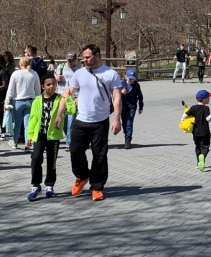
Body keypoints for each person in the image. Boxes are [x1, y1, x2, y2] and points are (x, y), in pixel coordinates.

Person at [65, 44, 122, 201]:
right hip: (81, 120)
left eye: (88, 57)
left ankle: (97, 186)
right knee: (75, 150)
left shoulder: (111, 74)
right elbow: (69, 91)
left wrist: (117, 119)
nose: (85, 60)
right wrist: (60, 109)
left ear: (97, 55)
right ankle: (82, 176)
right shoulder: (79, 73)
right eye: (83, 57)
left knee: (100, 155)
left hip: (100, 121)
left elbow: (117, 96)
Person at [26, 73, 75, 200]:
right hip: (39, 135)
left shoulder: (60, 99)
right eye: (48, 84)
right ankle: (36, 185)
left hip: (53, 136)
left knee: (52, 162)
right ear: (43, 86)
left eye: (54, 84)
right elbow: (32, 119)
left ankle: (49, 185)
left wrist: (68, 97)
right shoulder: (37, 100)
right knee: (36, 159)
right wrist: (30, 135)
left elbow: (71, 111)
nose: (51, 86)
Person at [5, 57, 41, 150]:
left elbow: (11, 89)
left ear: (20, 64)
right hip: (31, 101)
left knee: (17, 123)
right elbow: (38, 90)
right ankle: (27, 143)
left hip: (18, 101)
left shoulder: (16, 74)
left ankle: (15, 142)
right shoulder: (34, 74)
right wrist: (38, 99)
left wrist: (6, 101)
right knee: (28, 124)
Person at [55, 51, 80, 146]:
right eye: (68, 60)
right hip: (62, 96)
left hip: (73, 97)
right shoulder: (60, 67)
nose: (70, 62)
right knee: (64, 122)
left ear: (75, 60)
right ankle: (68, 136)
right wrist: (57, 79)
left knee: (71, 120)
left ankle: (69, 143)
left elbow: (82, 86)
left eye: (72, 60)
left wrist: (79, 98)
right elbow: (54, 80)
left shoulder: (78, 70)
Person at [186, 90, 211, 171]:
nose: (209, 99)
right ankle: (203, 156)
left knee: (198, 147)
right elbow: (208, 119)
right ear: (204, 99)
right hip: (205, 132)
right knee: (205, 146)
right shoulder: (206, 108)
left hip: (195, 132)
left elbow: (184, 116)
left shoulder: (193, 108)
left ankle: (198, 163)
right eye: (208, 98)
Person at [120, 68, 144, 149]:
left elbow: (140, 96)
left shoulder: (136, 85)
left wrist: (141, 107)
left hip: (132, 106)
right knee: (124, 123)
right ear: (125, 76)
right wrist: (121, 93)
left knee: (129, 123)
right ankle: (126, 135)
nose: (131, 80)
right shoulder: (121, 84)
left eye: (132, 79)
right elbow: (115, 96)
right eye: (129, 79)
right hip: (123, 106)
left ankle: (128, 141)